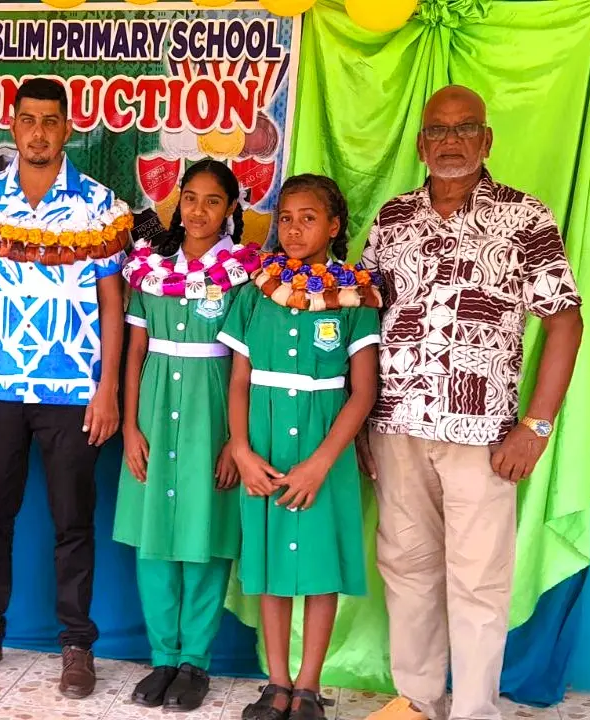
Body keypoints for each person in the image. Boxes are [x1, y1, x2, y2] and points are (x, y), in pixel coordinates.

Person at [358, 86, 583, 720]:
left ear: (487, 140)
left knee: (479, 581)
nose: (451, 141)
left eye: (464, 129)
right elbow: (364, 320)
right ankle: (417, 703)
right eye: (438, 130)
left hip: (482, 437)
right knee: (406, 570)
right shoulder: (393, 218)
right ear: (421, 144)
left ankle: (475, 710)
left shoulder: (524, 217)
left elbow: (565, 320)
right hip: (395, 427)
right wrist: (360, 420)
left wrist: (536, 426)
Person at [0, 77, 127, 699]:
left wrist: (107, 387)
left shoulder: (100, 205)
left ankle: (77, 645)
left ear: (67, 128)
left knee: (74, 522)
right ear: (13, 125)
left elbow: (113, 302)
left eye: (50, 121)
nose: (39, 133)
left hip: (74, 389)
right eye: (28, 120)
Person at [220, 175, 381, 720]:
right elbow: (238, 381)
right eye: (285, 218)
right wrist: (241, 450)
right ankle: (277, 683)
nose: (293, 229)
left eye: (308, 218)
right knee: (269, 565)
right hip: (263, 445)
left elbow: (363, 392)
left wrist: (320, 464)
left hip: (322, 451)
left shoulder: (354, 297)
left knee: (319, 568)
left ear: (333, 227)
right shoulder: (255, 291)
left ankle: (308, 686)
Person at [115, 159, 256, 712]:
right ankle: (163, 657)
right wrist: (130, 426)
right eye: (190, 198)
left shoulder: (243, 274)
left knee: (205, 534)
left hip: (211, 413)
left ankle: (195, 660)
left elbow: (245, 365)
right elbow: (135, 353)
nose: (199, 211)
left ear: (230, 209)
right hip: (154, 409)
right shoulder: (149, 269)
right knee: (154, 535)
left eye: (213, 201)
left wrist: (235, 441)